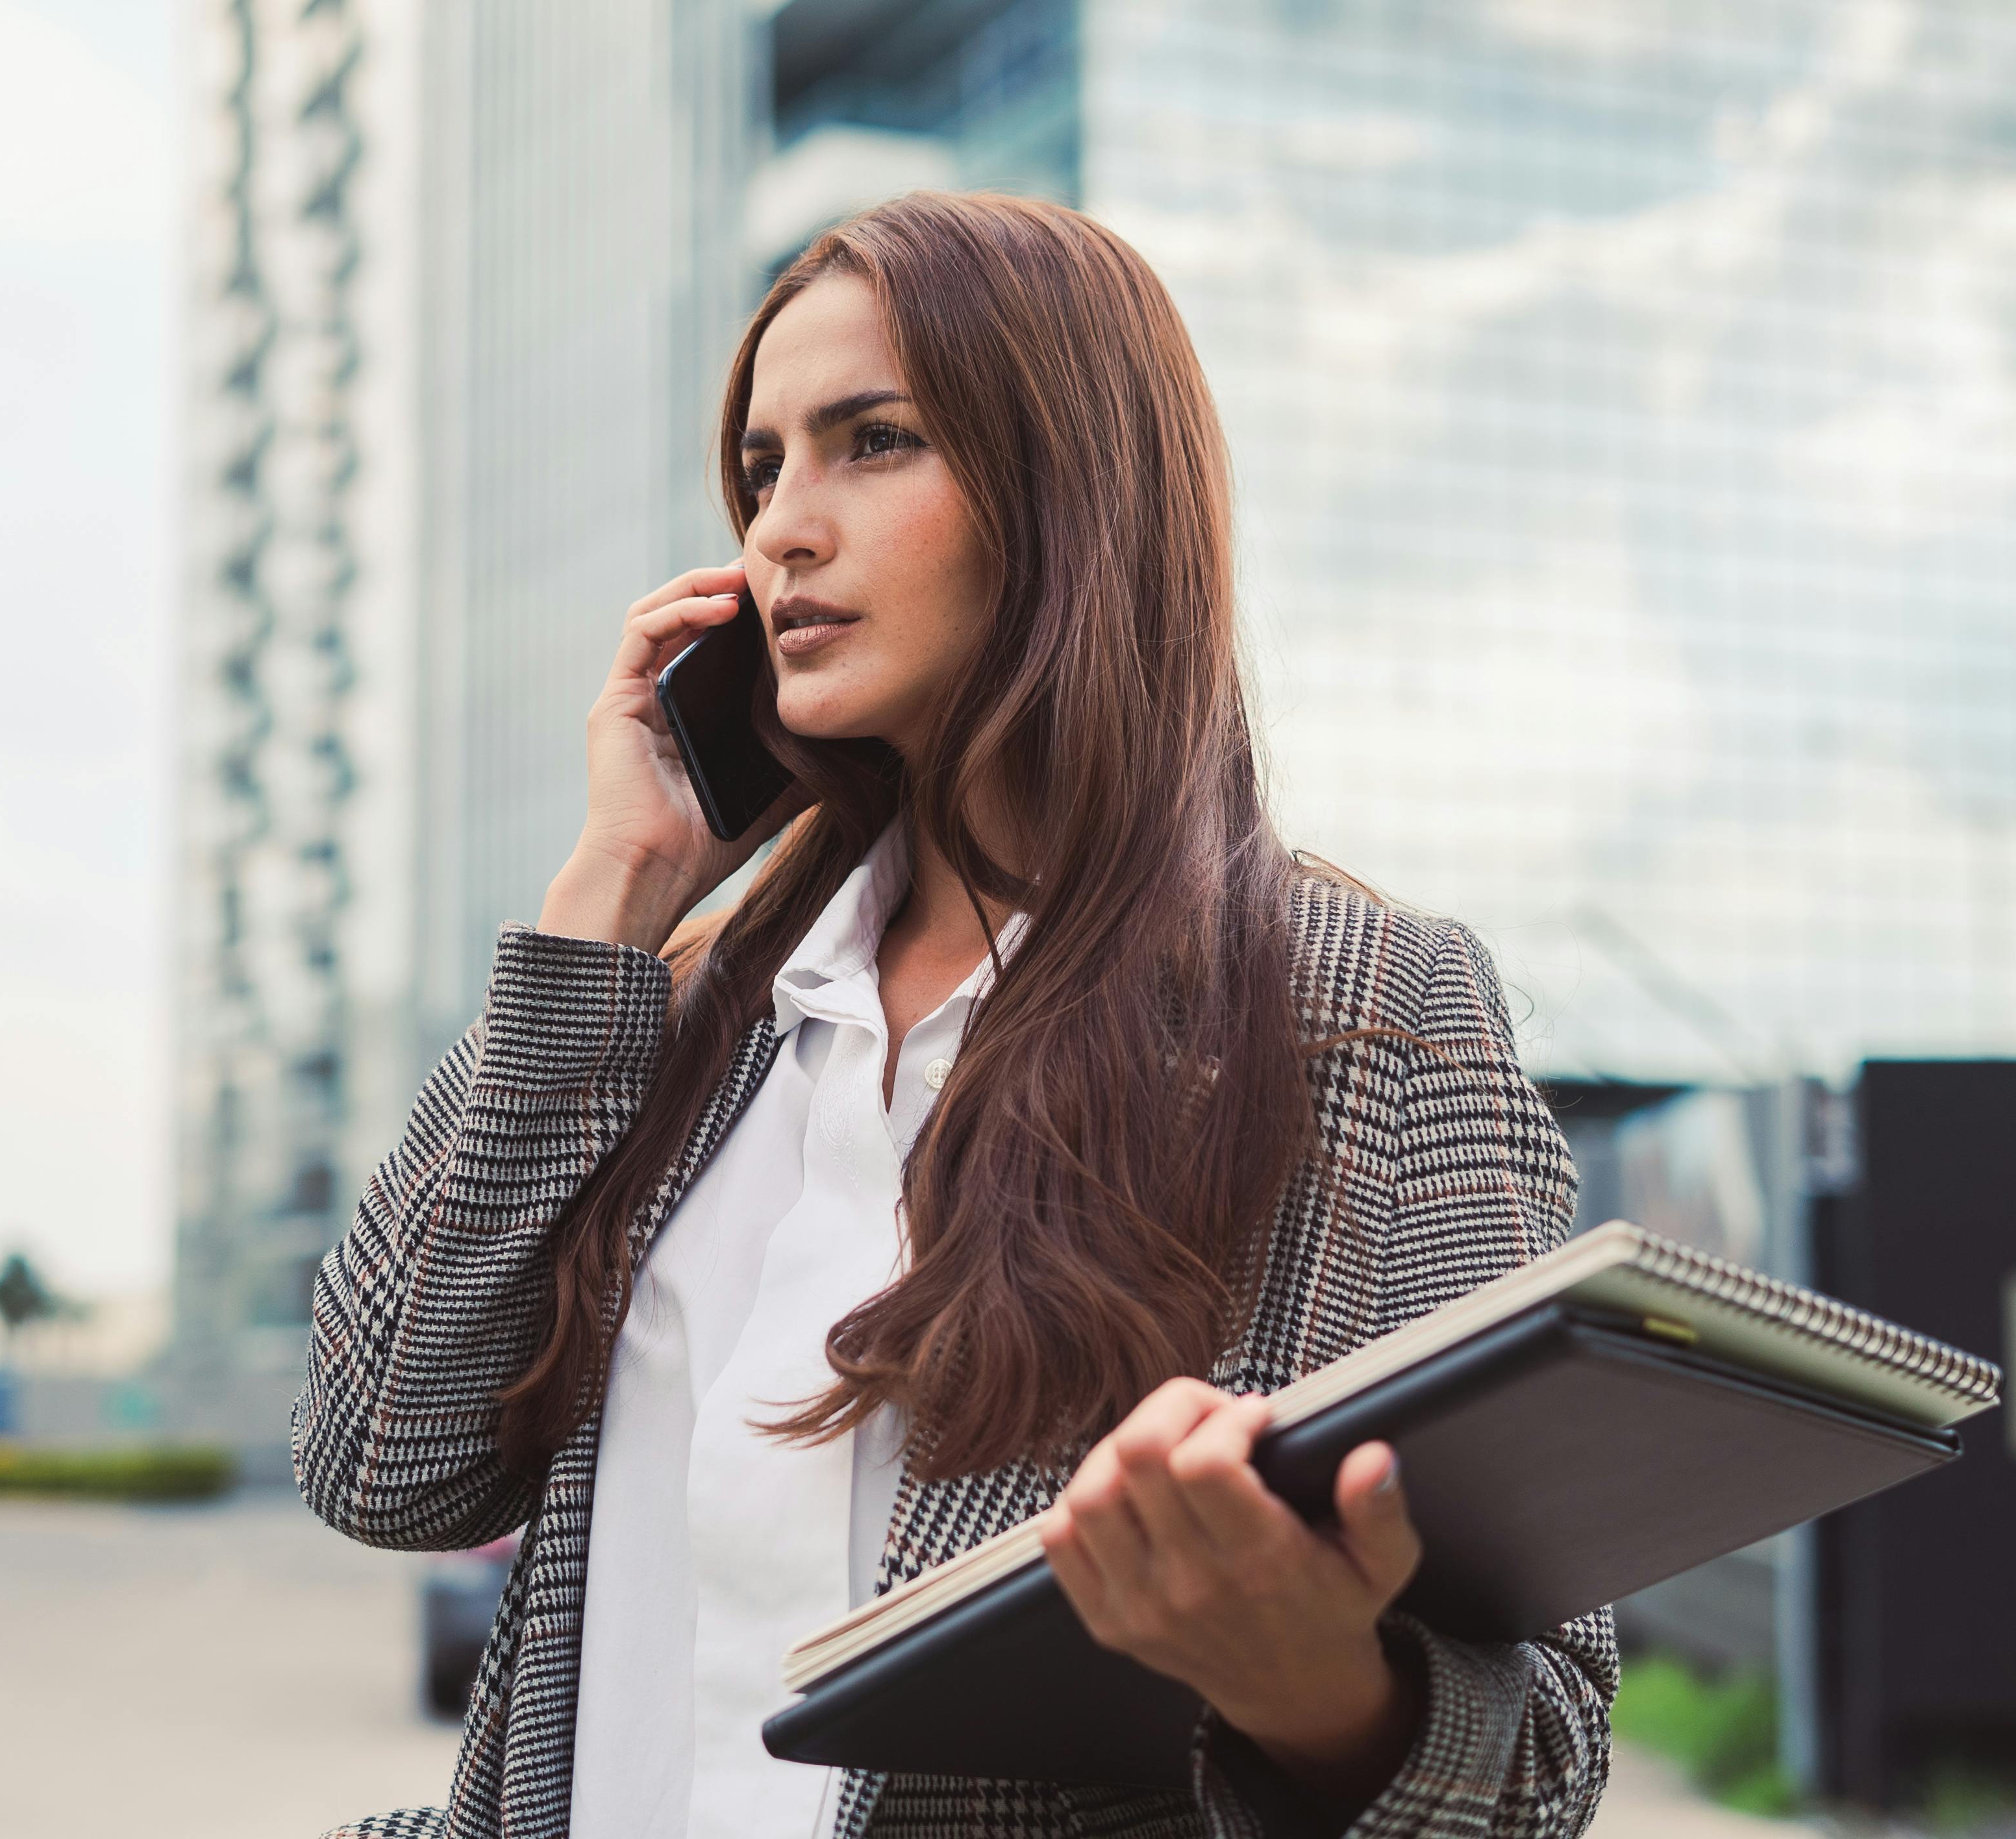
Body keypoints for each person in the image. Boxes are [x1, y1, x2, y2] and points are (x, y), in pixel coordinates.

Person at [295, 191, 1614, 1839]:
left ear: (1070, 489)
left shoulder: (1367, 1015)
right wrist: (612, 896)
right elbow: (381, 1459)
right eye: (761, 469)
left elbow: (1538, 1763)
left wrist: (1309, 1686)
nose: (781, 530)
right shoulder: (694, 1004)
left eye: (873, 442)